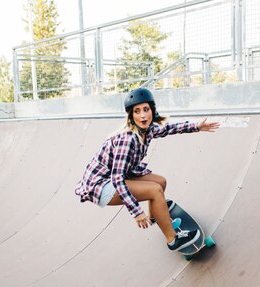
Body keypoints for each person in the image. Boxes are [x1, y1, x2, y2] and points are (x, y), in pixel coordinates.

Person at [75, 87, 220, 251]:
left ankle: (156, 216)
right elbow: (117, 179)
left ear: (152, 110)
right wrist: (136, 212)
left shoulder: (147, 129)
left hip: (115, 177)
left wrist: (196, 126)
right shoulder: (127, 139)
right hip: (101, 186)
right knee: (155, 190)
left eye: (146, 109)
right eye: (137, 111)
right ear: (131, 116)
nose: (143, 115)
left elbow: (168, 129)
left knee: (160, 182)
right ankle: (173, 240)